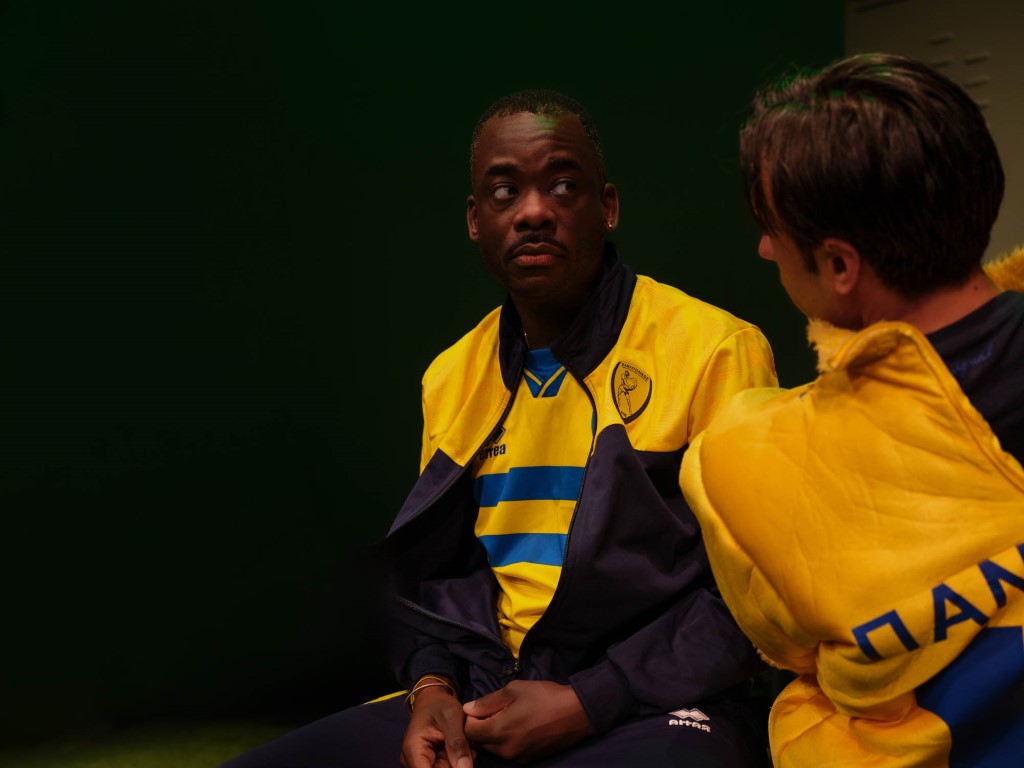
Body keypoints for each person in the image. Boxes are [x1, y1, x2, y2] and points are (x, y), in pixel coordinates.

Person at [223, 88, 778, 768]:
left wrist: (589, 699)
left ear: (607, 207)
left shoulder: (716, 349)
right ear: (475, 220)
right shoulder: (451, 376)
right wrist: (432, 686)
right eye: (505, 191)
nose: (534, 211)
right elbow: (438, 582)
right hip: (487, 695)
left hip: (649, 702)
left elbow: (756, 600)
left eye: (563, 186)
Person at [679, 53, 1024, 767]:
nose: (764, 247)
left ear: (839, 266)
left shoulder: (743, 464)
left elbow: (787, 648)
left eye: (770, 226)